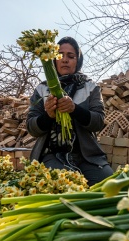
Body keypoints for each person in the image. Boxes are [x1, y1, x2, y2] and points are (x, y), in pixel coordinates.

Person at [26, 36, 114, 186]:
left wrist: (74, 109)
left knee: (108, 186)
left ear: (78, 61)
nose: (65, 60)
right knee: (66, 187)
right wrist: (48, 116)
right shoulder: (42, 89)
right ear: (53, 60)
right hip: (53, 154)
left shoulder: (90, 87)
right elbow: (31, 127)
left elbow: (99, 122)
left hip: (88, 155)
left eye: (71, 56)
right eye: (60, 56)